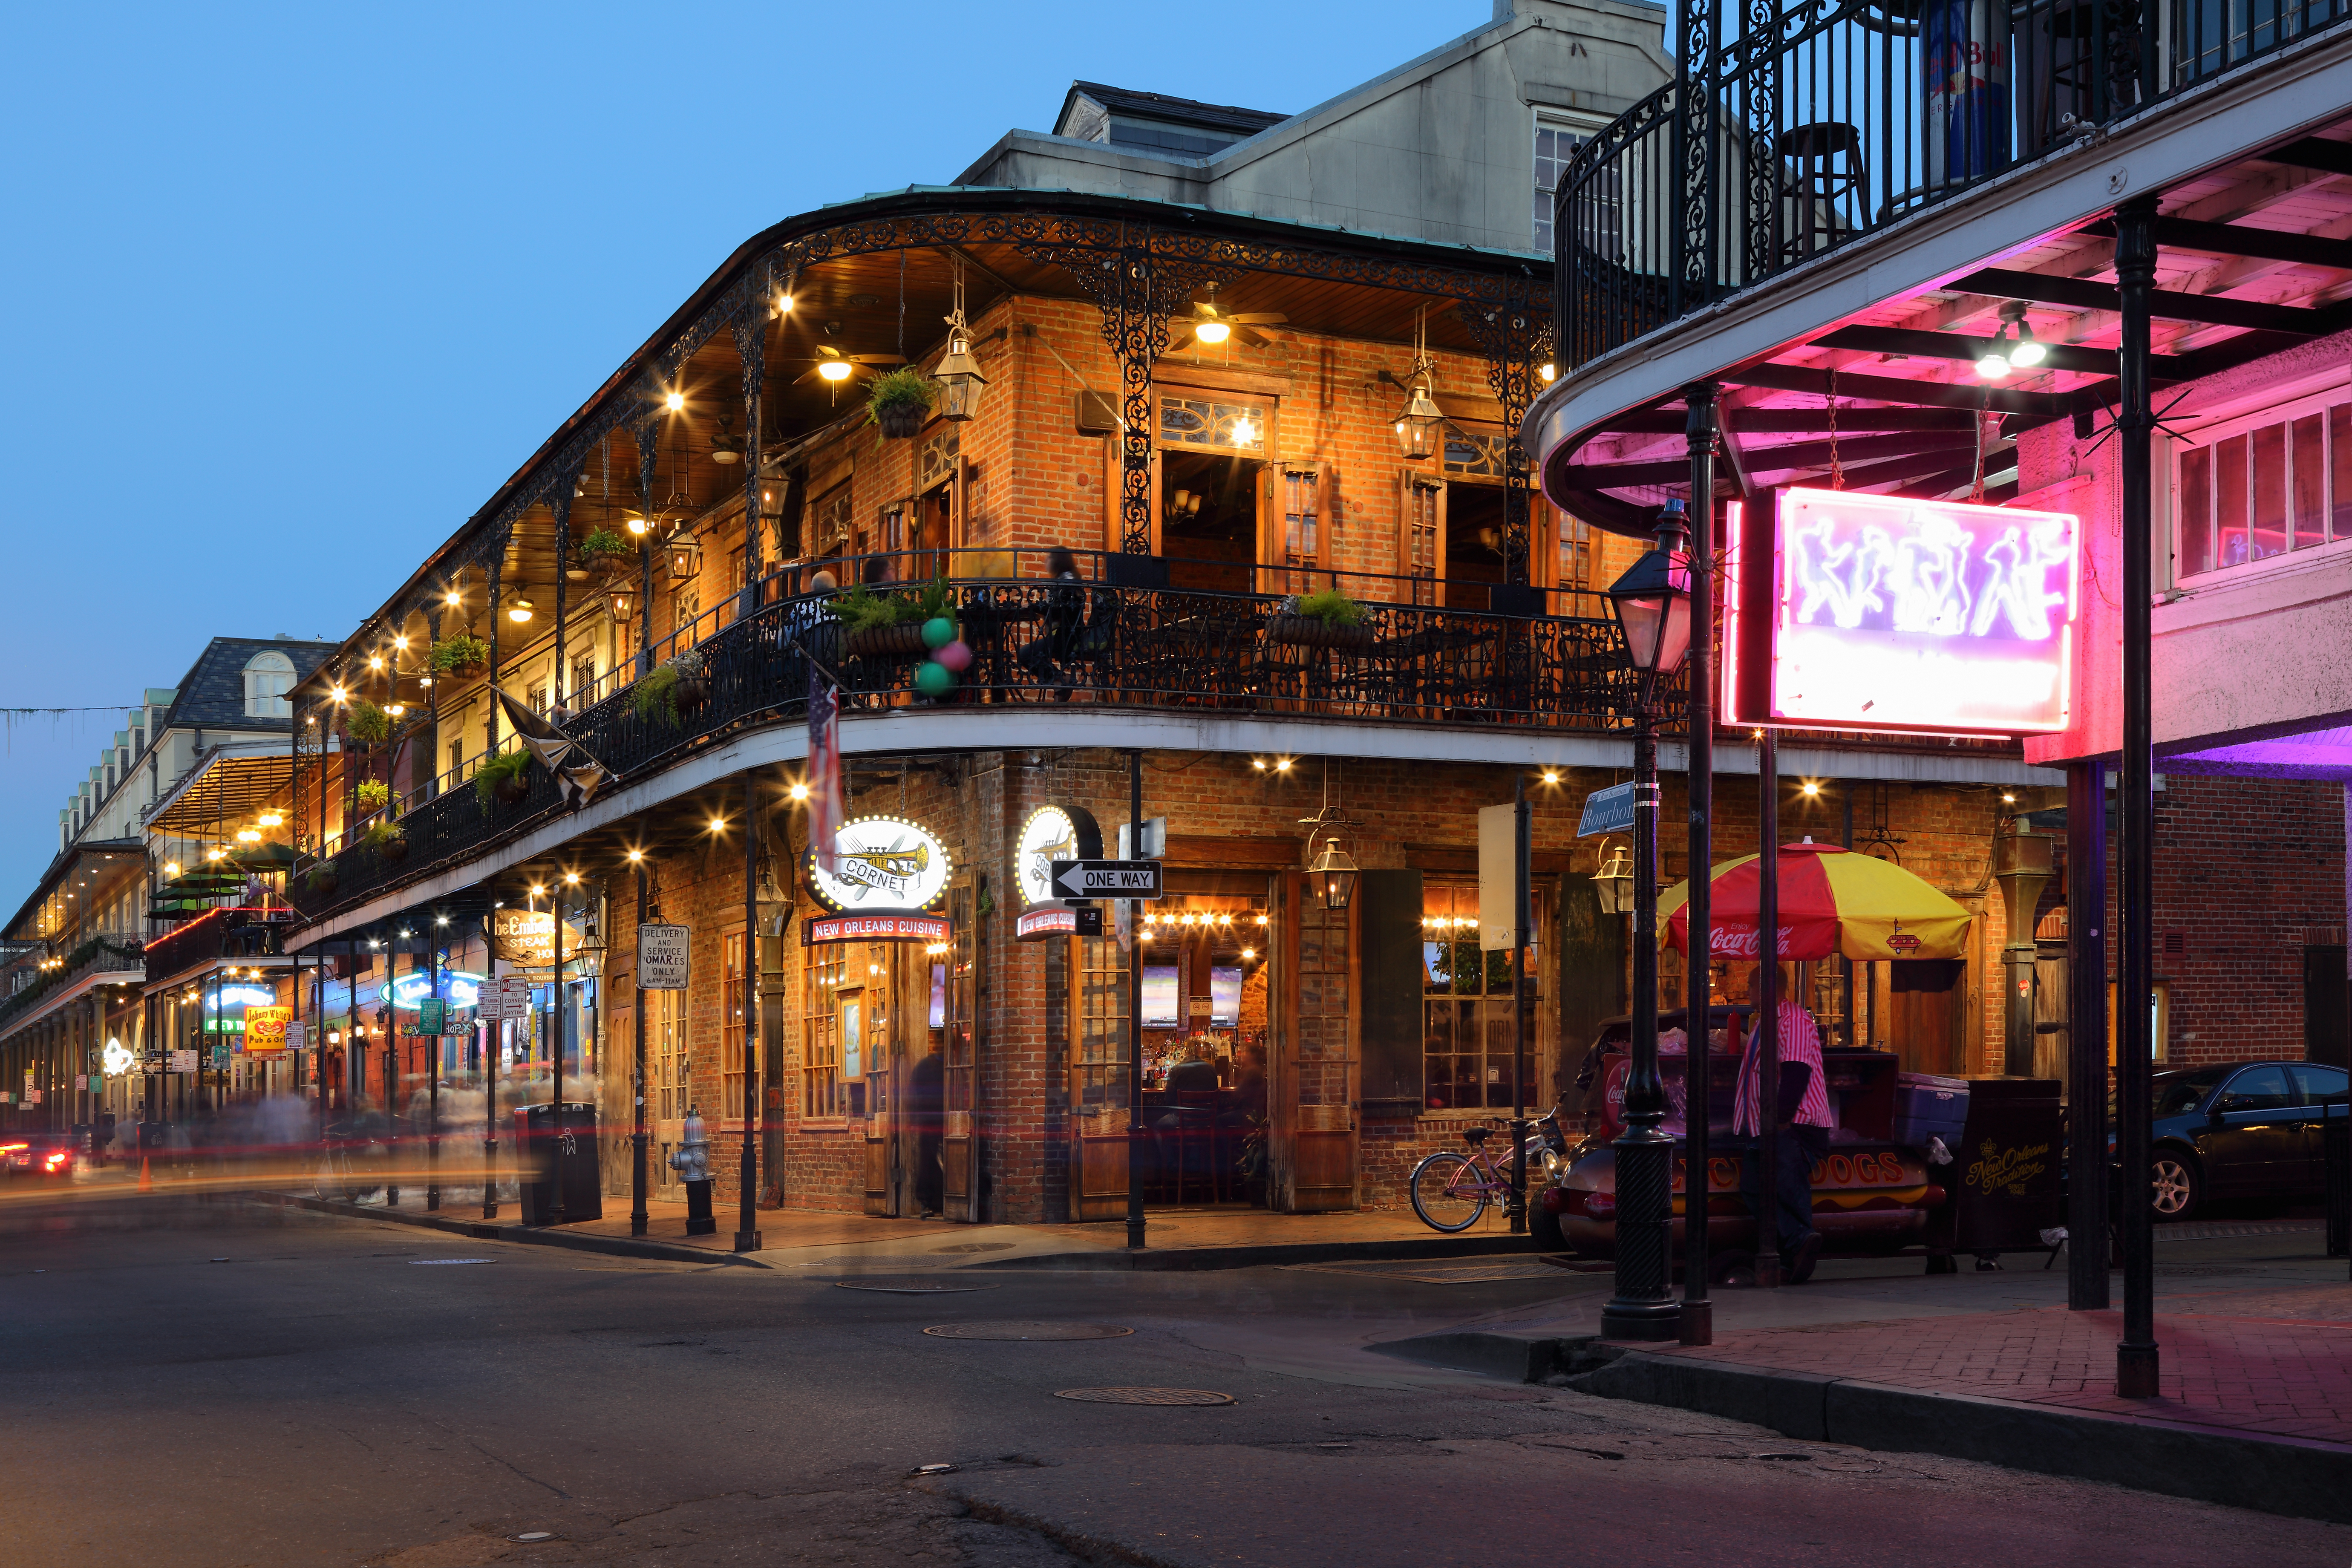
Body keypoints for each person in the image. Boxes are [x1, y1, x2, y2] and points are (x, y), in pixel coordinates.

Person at [1734, 984, 1834, 1283]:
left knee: (1788, 1188)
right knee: (1754, 1188)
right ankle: (1797, 1244)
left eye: (1750, 986)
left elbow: (1796, 1071)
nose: (1748, 992)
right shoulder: (1765, 1022)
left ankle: (1798, 1250)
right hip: (1764, 1126)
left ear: (1764, 986)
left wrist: (1780, 1120)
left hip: (1793, 1124)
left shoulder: (1794, 1020)